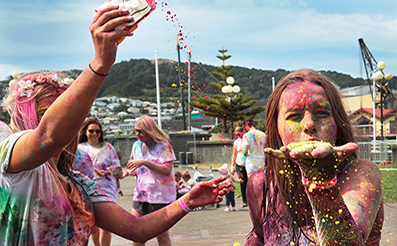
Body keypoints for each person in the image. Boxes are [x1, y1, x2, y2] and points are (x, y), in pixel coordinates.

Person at [0, 6, 230, 245]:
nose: (67, 123)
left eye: (73, 115)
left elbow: (137, 229)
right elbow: (47, 137)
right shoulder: (11, 159)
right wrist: (100, 63)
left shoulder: (79, 184)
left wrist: (187, 202)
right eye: (48, 114)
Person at [245, 69, 384, 245]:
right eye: (294, 116)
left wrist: (321, 181)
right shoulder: (261, 183)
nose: (309, 125)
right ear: (276, 128)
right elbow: (258, 236)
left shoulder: (362, 175)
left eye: (322, 113)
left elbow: (348, 243)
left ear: (337, 123)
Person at [126, 115, 177, 246]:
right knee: (137, 235)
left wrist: (145, 162)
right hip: (141, 195)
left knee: (161, 236)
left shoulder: (163, 145)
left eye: (140, 131)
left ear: (149, 131)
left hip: (159, 197)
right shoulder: (136, 146)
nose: (137, 134)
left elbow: (167, 169)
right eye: (136, 130)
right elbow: (133, 168)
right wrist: (123, 173)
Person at [78, 117, 122, 246]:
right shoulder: (80, 148)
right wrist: (92, 169)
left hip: (107, 188)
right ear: (85, 131)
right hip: (86, 189)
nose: (95, 134)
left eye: (98, 131)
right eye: (91, 131)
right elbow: (72, 168)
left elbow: (117, 168)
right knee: (93, 225)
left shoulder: (108, 148)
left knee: (107, 225)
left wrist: (108, 171)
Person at [231, 121, 248, 207]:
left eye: (239, 131)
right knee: (242, 182)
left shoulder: (248, 139)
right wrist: (232, 166)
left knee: (250, 182)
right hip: (239, 164)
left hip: (248, 164)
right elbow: (234, 155)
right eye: (236, 131)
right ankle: (245, 201)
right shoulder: (236, 142)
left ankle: (251, 200)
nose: (237, 133)